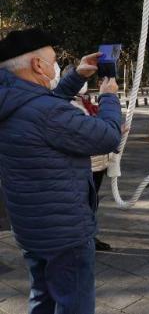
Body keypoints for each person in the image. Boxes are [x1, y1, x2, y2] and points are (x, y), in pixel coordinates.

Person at [0, 28, 121, 314]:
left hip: (31, 226)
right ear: (37, 65)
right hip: (65, 232)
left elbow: (41, 102)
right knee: (73, 302)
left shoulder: (11, 100)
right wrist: (109, 98)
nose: (56, 65)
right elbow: (107, 136)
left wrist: (78, 75)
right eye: (53, 60)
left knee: (42, 294)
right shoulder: (47, 113)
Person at [64, 66, 113, 251]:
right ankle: (84, 238)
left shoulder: (85, 101)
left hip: (98, 162)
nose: (83, 84)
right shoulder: (67, 103)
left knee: (92, 201)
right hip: (85, 163)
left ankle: (91, 235)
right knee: (82, 203)